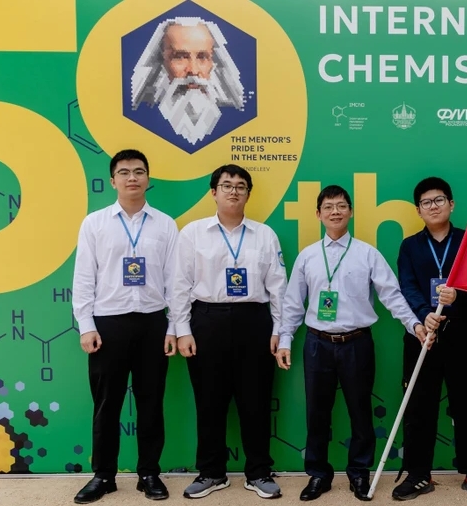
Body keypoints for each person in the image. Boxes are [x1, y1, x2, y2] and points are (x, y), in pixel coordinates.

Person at [277, 185, 428, 502]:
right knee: (317, 412)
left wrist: (413, 323)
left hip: (356, 343)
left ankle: (359, 473)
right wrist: (285, 338)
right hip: (317, 344)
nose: (335, 211)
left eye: (341, 206)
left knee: (360, 411)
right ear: (318, 214)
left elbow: (391, 295)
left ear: (351, 211)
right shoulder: (308, 256)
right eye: (328, 207)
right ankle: (318, 475)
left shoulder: (367, 254)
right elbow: (292, 302)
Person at [171, 164, 287, 500]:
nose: (233, 191)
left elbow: (278, 287)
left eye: (240, 186)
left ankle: (259, 472)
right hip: (207, 321)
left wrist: (280, 329)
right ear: (213, 192)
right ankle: (211, 473)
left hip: (255, 322)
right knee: (209, 401)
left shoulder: (265, 235)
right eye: (226, 185)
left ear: (248, 193)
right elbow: (179, 285)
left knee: (256, 400)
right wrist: (182, 329)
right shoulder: (192, 233)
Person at [71, 149, 178, 503]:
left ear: (148, 179)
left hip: (153, 324)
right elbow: (84, 277)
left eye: (139, 171)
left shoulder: (165, 224)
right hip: (108, 325)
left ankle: (149, 473)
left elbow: (175, 281)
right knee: (107, 404)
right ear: (113, 180)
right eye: (124, 172)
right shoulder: (95, 223)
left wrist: (174, 327)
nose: (132, 177)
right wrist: (86, 325)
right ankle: (103, 475)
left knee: (151, 402)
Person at [392, 177, 467, 501]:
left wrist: (460, 295)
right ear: (418, 210)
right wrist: (423, 314)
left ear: (451, 204)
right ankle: (418, 474)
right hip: (423, 336)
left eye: (439, 200)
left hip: (463, 336)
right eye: (426, 202)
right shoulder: (410, 247)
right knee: (419, 407)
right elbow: (407, 285)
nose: (433, 206)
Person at [130, 16, 246, 146]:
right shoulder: (140, 120)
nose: (193, 70)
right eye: (180, 57)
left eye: (202, 57)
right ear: (161, 63)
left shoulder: (235, 120)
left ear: (213, 63)